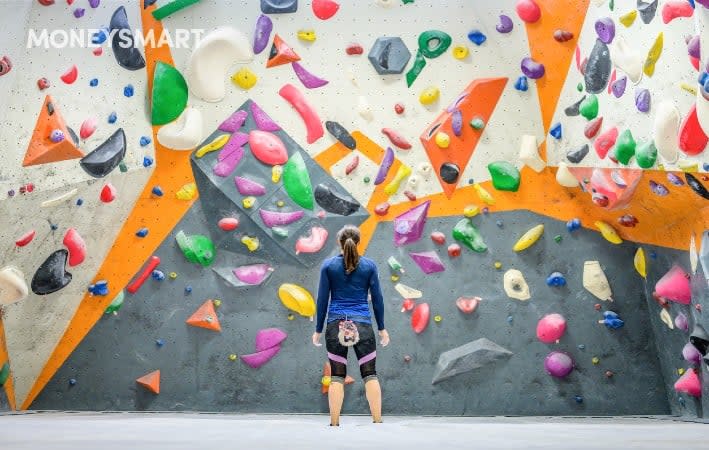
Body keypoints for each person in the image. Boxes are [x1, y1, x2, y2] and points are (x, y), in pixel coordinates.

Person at [312, 225, 389, 426]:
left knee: (337, 375)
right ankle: (377, 420)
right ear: (359, 242)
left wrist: (318, 329)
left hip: (334, 324)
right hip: (363, 324)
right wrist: (382, 328)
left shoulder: (328, 266)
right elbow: (378, 300)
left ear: (339, 242)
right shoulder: (369, 266)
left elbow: (322, 300)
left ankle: (335, 422)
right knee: (370, 373)